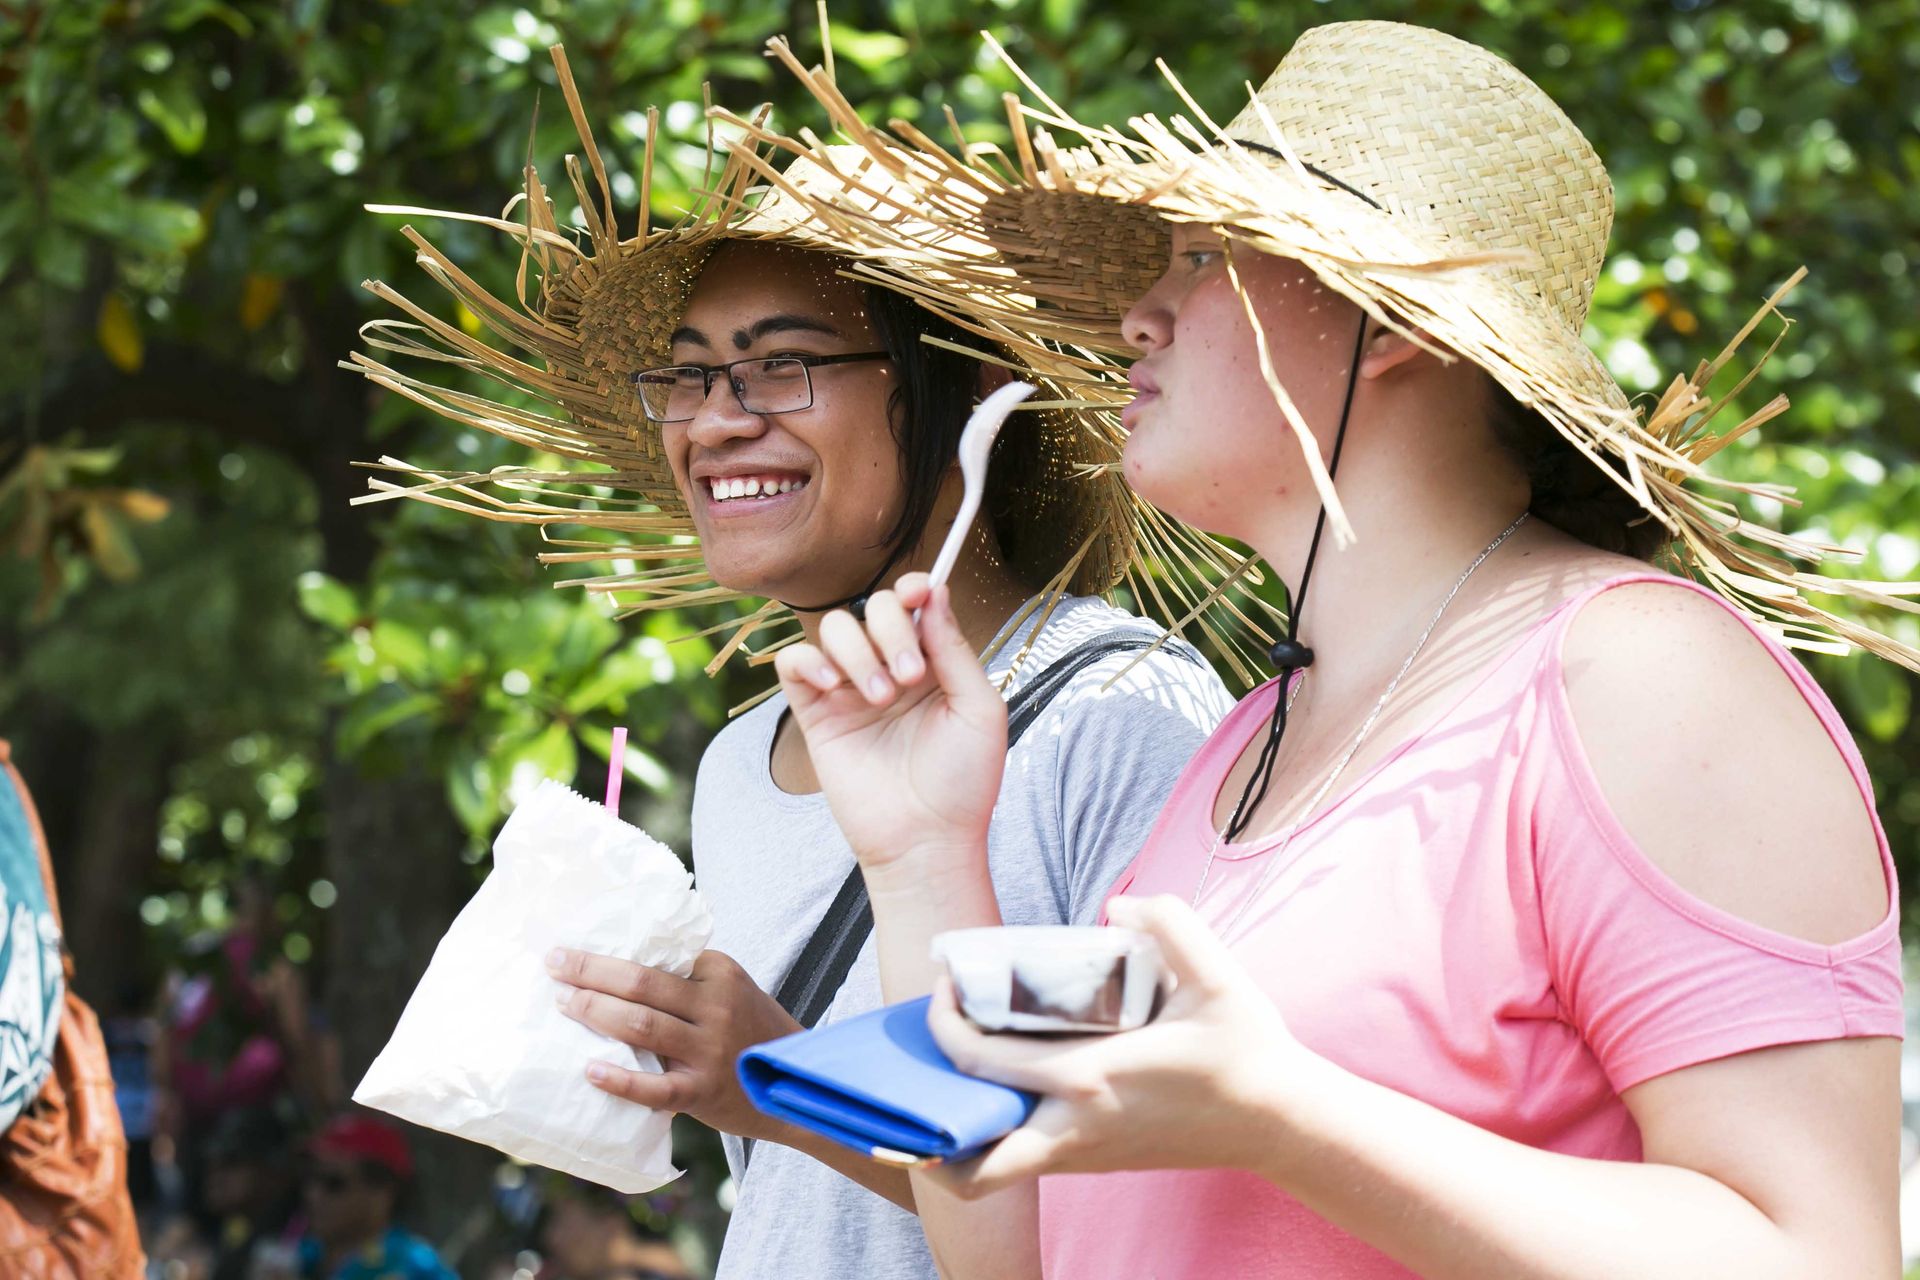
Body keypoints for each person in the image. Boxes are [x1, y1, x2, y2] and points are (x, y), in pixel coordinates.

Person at [760, 19, 1914, 1278]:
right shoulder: (1249, 744)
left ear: (1391, 318)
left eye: (1202, 256)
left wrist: (1285, 1113)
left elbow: (1815, 1256)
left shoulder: (1645, 678)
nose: (1138, 316)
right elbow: (1016, 1255)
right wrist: (924, 853)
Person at [345, 44, 1239, 1280]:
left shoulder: (1123, 715)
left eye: (785, 363)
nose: (716, 418)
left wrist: (776, 1077)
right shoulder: (736, 763)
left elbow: (1147, 1196)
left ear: (971, 391)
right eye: (692, 373)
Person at [294, 1114, 453, 1280]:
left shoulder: (416, 1267)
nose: (313, 1194)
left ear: (382, 1193)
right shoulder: (299, 1256)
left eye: (334, 1183)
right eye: (310, 1178)